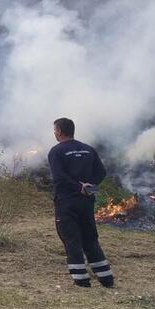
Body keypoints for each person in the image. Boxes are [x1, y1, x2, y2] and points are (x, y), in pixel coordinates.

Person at [47, 117, 114, 288]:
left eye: (55, 130)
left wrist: (78, 187)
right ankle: (107, 279)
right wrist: (90, 187)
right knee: (90, 238)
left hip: (66, 203)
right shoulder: (88, 149)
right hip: (86, 202)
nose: (54, 133)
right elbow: (102, 172)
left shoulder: (56, 151)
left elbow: (59, 177)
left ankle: (81, 281)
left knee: (71, 239)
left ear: (59, 132)